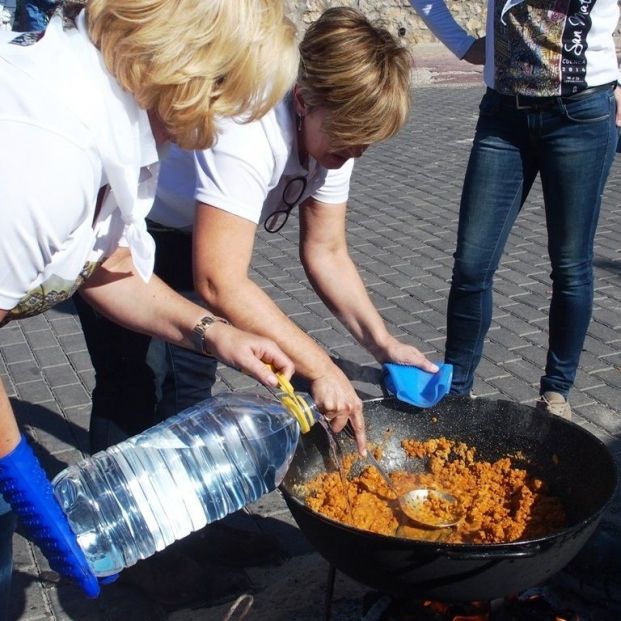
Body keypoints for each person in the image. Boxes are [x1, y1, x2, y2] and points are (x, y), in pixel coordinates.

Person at [0, 0, 298, 613]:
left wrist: (213, 332)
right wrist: (20, 479)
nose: (216, 131)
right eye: (226, 99)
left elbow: (104, 269)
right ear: (190, 69)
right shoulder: (50, 148)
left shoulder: (111, 113)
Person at [76, 6, 440, 465]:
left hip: (197, 239)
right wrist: (321, 369)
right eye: (349, 136)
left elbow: (326, 252)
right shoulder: (248, 126)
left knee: (189, 387)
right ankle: (110, 516)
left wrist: (383, 344)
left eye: (367, 140)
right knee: (132, 382)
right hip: (132, 231)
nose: (357, 152)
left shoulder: (336, 145)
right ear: (305, 101)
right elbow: (221, 283)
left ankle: (184, 524)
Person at [409, 0, 621, 418]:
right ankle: (456, 395)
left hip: (582, 114)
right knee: (471, 265)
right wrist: (462, 44)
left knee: (570, 265)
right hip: (503, 115)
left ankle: (555, 395)